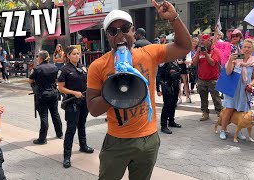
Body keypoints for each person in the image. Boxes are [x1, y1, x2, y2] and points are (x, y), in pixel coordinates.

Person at [86, 0, 191, 179]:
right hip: (116, 142)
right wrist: (113, 90)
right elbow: (93, 109)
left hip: (147, 139)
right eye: (113, 31)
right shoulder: (98, 66)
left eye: (125, 28)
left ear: (133, 31)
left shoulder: (149, 53)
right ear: (108, 36)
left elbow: (185, 46)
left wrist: (173, 18)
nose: (120, 35)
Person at [58, 46, 94, 169]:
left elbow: (87, 80)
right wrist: (74, 93)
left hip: (84, 101)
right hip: (72, 102)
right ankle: (66, 156)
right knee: (71, 129)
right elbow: (60, 88)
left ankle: (83, 146)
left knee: (82, 125)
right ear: (68, 55)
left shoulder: (82, 66)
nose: (77, 56)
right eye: (74, 54)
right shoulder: (65, 70)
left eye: (78, 53)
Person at [220, 39, 254, 140]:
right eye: (244, 47)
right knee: (229, 109)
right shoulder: (236, 58)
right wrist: (230, 60)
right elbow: (228, 73)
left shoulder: (253, 61)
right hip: (233, 88)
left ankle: (239, 131)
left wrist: (251, 83)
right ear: (241, 48)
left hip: (245, 89)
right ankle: (223, 130)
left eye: (249, 47)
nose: (246, 49)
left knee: (241, 111)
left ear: (252, 49)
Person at [29, 50, 63, 145]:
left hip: (43, 94)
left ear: (40, 58)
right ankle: (59, 133)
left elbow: (31, 80)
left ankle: (42, 139)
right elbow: (56, 79)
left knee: (44, 116)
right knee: (55, 113)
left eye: (37, 57)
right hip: (53, 92)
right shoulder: (54, 67)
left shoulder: (37, 68)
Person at [192, 34, 223, 121]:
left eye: (204, 41)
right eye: (201, 41)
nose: (202, 43)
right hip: (201, 79)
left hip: (213, 79)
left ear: (209, 41)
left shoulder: (215, 51)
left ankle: (220, 113)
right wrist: (198, 52)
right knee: (203, 97)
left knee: (216, 98)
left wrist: (206, 54)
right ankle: (205, 112)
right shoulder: (199, 51)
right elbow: (194, 63)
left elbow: (212, 63)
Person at [156, 60, 182, 134]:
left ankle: (171, 121)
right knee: (167, 105)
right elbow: (158, 75)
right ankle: (163, 125)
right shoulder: (164, 61)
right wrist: (158, 89)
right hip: (167, 86)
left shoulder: (175, 61)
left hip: (175, 85)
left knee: (173, 104)